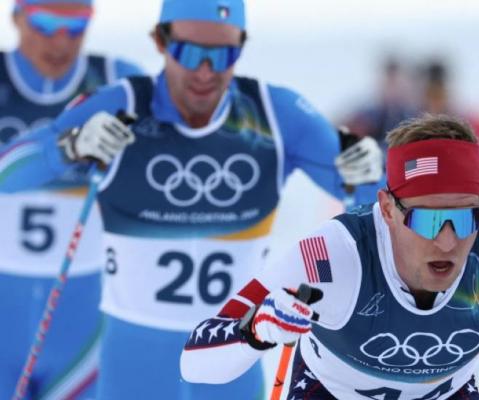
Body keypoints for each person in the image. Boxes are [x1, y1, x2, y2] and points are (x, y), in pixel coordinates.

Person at [0, 0, 383, 398]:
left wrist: (369, 169)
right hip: (135, 361)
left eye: (223, 55)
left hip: (231, 357)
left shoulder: (276, 115)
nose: (205, 70)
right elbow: (7, 174)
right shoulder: (122, 105)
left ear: (242, 46)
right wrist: (70, 146)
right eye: (189, 52)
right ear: (160, 42)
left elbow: (387, 208)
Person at [180, 114, 479, 399]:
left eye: (467, 218)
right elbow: (196, 364)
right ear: (388, 209)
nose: (448, 241)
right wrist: (255, 332)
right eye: (430, 221)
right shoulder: (333, 255)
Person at [0, 0, 143, 398]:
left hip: (80, 322)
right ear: (16, 18)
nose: (61, 40)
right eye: (45, 24)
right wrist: (67, 147)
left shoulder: (117, 82)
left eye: (76, 26)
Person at [341, 56, 417, 150]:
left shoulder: (413, 115)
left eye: (396, 84)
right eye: (389, 83)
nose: (393, 90)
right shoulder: (368, 115)